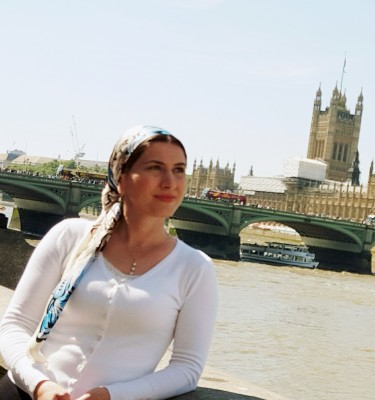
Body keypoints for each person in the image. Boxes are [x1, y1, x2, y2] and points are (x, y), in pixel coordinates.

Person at [0, 126, 218, 400]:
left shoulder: (195, 268)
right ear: (121, 177)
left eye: (179, 170)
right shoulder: (69, 236)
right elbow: (15, 325)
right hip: (23, 393)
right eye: (155, 168)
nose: (169, 182)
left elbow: (187, 369)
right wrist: (40, 385)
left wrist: (111, 395)